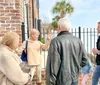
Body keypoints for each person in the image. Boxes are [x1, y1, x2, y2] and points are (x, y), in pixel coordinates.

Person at [46, 18, 88, 85]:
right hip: (74, 79)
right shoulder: (78, 41)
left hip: (61, 80)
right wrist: (76, 68)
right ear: (69, 28)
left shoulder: (55, 41)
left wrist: (50, 83)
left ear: (59, 27)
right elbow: (85, 60)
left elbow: (53, 67)